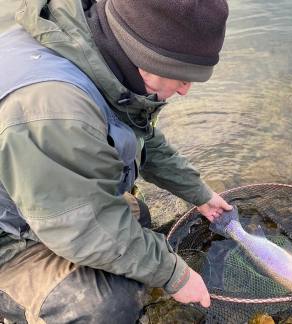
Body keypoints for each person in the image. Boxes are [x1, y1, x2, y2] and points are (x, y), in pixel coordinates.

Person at [0, 0, 231, 322]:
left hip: (36, 200)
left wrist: (199, 193)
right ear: (147, 62)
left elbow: (140, 135)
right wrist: (174, 274)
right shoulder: (55, 109)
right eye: (181, 78)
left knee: (136, 214)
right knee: (105, 307)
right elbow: (78, 225)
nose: (184, 92)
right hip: (7, 237)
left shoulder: (101, 53)